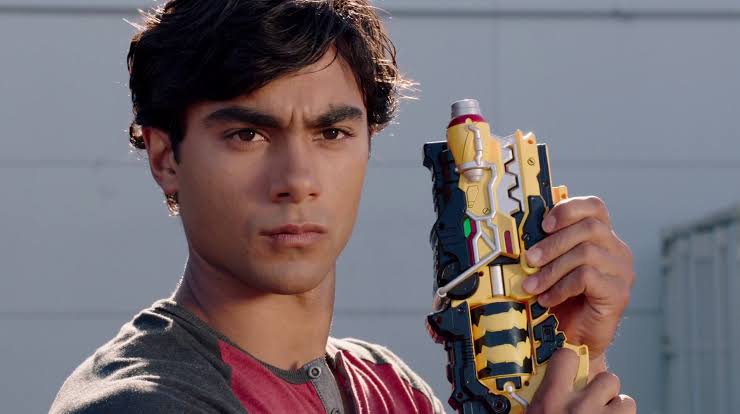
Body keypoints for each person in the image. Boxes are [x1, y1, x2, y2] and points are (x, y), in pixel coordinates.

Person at [49, 1, 637, 413]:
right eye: (247, 135)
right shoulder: (139, 401)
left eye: (331, 134)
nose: (297, 181)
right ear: (165, 158)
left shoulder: (391, 389)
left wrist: (562, 351)